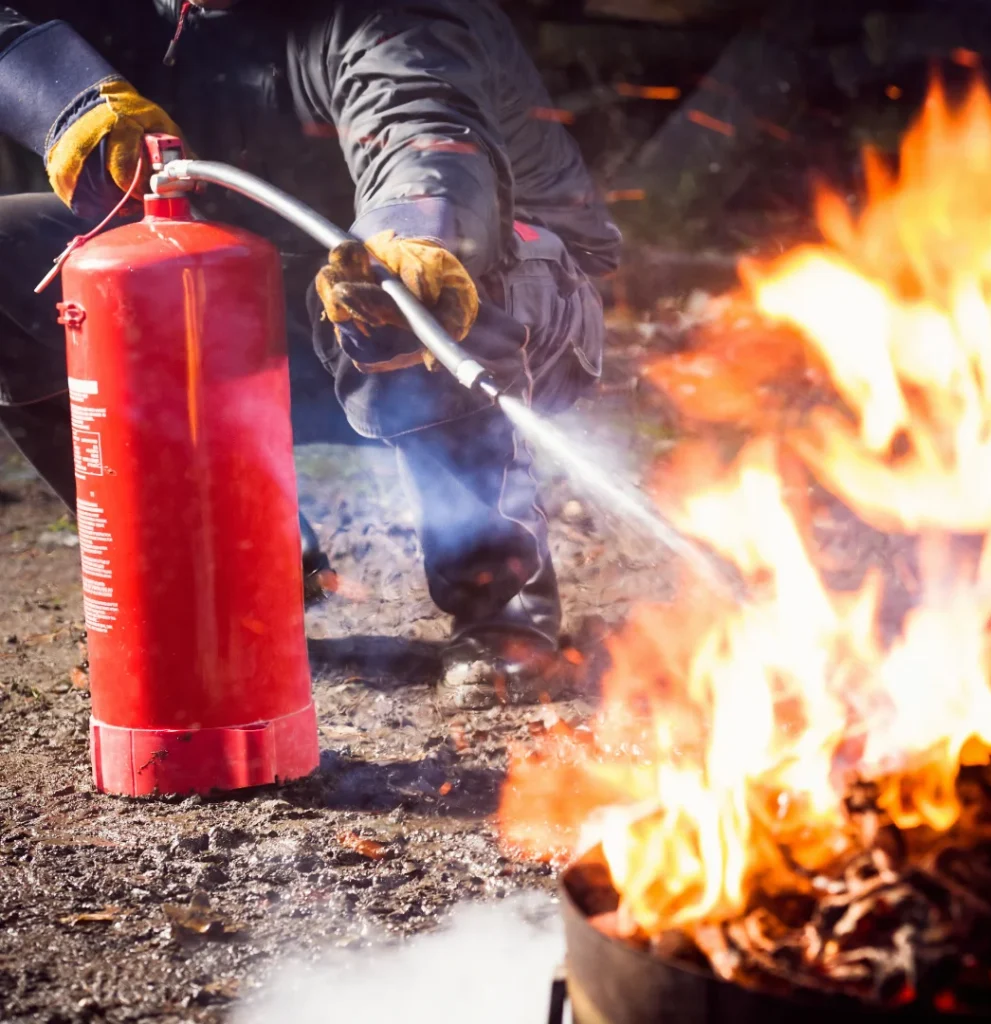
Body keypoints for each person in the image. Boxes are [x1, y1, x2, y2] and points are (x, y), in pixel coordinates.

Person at [0, 0, 621, 709]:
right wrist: (61, 92)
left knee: (402, 281)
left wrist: (414, 232)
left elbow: (423, 127)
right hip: (259, 284)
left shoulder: (393, 17)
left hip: (511, 289)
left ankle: (499, 605)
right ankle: (241, 577)